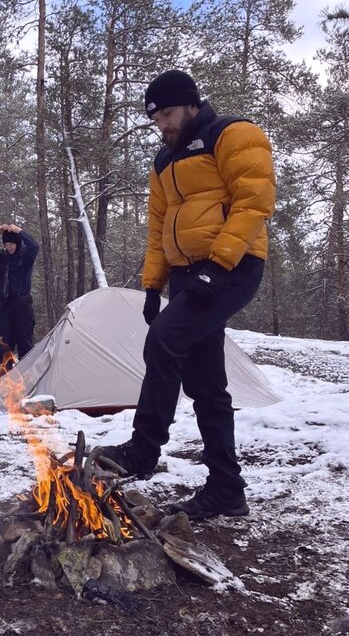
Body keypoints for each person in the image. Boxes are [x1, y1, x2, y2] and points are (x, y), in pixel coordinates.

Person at [100, 69, 276, 520]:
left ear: (192, 103)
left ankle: (144, 449)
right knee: (206, 383)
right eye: (155, 117)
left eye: (168, 113)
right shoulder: (163, 161)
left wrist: (218, 266)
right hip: (184, 275)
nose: (162, 124)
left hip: (232, 267)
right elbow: (158, 228)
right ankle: (226, 488)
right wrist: (152, 286)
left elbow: (253, 202)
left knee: (164, 339)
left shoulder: (233, 134)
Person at [0, 223, 39, 377]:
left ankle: (28, 381)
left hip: (22, 306)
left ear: (18, 244)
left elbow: (35, 246)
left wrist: (20, 231)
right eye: (7, 244)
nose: (10, 247)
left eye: (12, 243)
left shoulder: (26, 258)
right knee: (4, 345)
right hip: (3, 308)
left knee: (25, 345)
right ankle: (3, 381)